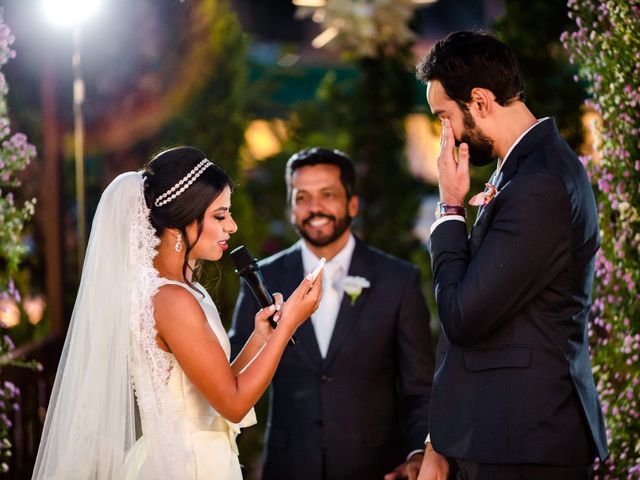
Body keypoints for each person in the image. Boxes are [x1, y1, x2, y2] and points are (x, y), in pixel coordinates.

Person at [32, 146, 322, 479]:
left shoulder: (182, 290)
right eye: (220, 215)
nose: (233, 226)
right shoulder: (171, 299)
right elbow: (234, 403)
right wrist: (289, 325)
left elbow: (214, 388)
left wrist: (260, 338)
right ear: (179, 224)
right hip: (186, 466)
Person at [414, 31, 608, 480]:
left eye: (444, 117)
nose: (444, 134)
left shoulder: (538, 183)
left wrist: (450, 208)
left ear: (479, 102)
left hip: (525, 441)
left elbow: (463, 314)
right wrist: (437, 440)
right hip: (500, 432)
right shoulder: (521, 170)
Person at [230, 147, 447, 480]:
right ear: (291, 207)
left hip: (376, 469)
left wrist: (419, 451)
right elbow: (234, 372)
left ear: (353, 204)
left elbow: (418, 388)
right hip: (287, 468)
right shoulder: (263, 279)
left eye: (327, 194)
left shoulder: (397, 280)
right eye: (302, 197)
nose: (315, 208)